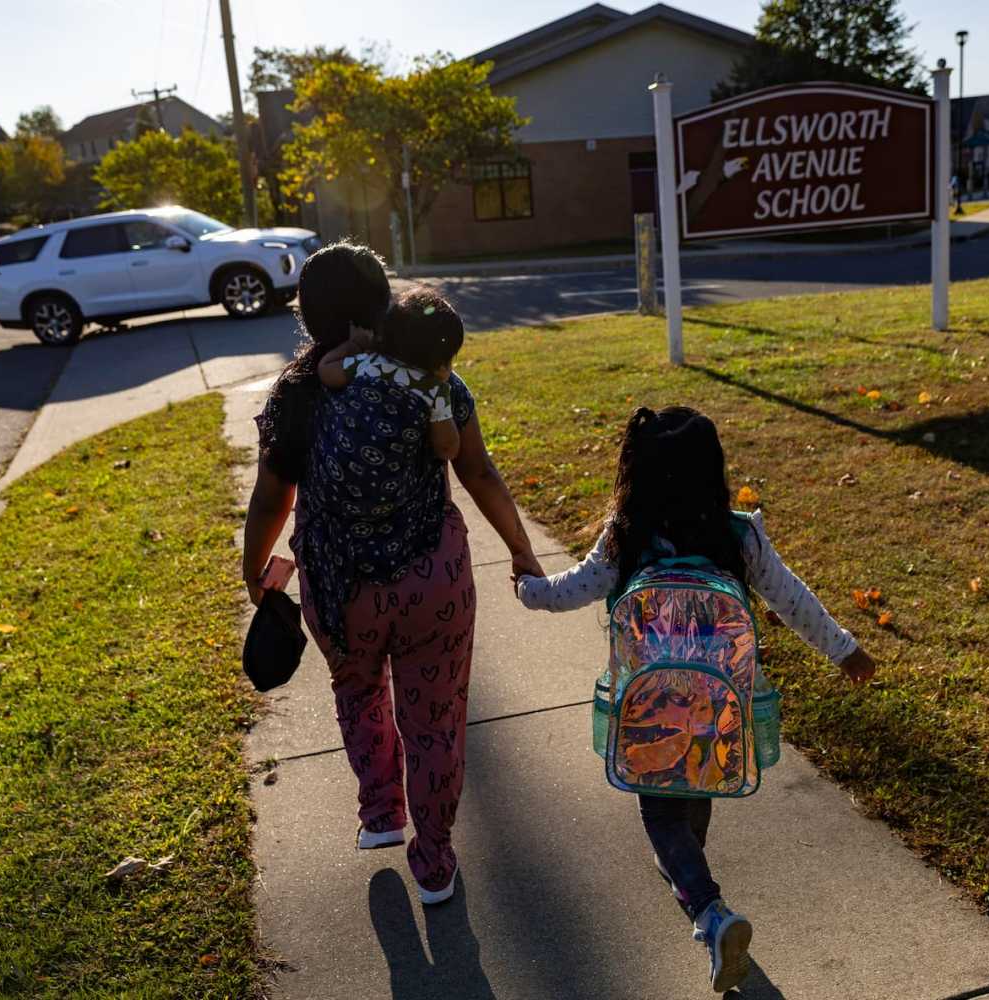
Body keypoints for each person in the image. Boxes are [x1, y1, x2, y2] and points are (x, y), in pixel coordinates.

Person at [513, 406, 876, 993]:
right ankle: (687, 866)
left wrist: (527, 588)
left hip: (650, 711)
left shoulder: (626, 533)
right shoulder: (738, 535)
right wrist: (845, 650)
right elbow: (793, 601)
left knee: (659, 810)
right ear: (713, 468)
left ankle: (709, 912)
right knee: (698, 785)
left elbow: (571, 590)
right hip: (720, 709)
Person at [244, 240, 543, 905]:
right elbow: (477, 471)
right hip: (431, 579)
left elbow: (272, 496)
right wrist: (520, 548)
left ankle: (381, 813)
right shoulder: (434, 380)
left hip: (338, 586)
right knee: (434, 718)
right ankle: (434, 861)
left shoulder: (296, 395)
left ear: (310, 314)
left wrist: (253, 567)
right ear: (382, 304)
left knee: (358, 692)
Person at [318, 286, 464, 461]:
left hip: (340, 468)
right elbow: (447, 449)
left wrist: (354, 345)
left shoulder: (369, 363)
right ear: (441, 365)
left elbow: (325, 370)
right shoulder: (434, 391)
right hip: (389, 484)